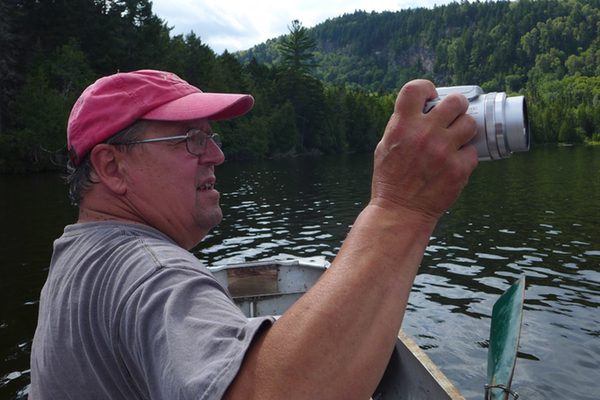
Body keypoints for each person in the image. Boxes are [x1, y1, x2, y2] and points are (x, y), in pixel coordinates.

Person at [30, 69, 477, 399]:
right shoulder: (148, 272)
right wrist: (400, 209)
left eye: (211, 137)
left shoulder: (78, 257)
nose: (217, 155)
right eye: (191, 139)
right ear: (112, 167)